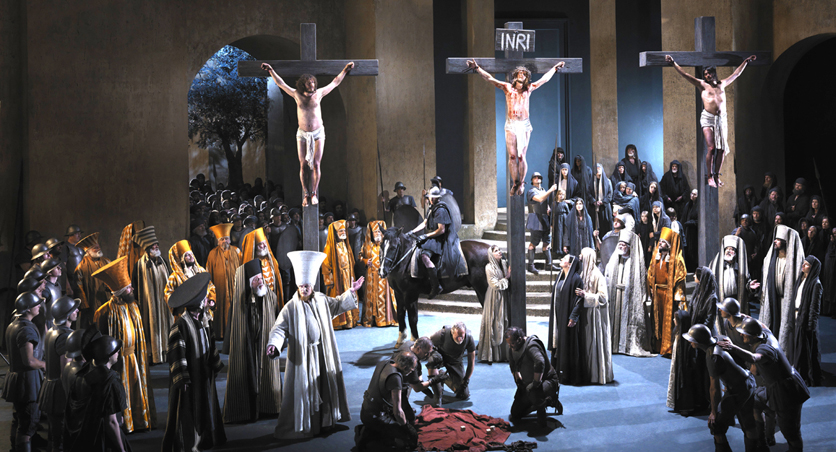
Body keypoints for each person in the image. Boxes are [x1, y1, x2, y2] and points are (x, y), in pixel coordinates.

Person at [266, 250, 363, 439]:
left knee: (324, 386)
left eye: (307, 287)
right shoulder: (290, 307)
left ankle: (325, 422)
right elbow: (279, 328)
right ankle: (307, 426)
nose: (304, 290)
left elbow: (337, 304)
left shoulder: (321, 300)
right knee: (306, 389)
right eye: (301, 287)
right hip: (303, 357)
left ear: (311, 286)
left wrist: (351, 291)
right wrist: (274, 345)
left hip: (322, 351)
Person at [262, 61, 354, 205]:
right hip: (302, 133)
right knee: (303, 164)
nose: (312, 84)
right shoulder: (297, 94)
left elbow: (335, 82)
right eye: (309, 82)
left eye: (313, 82)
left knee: (316, 164)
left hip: (318, 133)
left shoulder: (319, 94)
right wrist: (270, 70)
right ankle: (306, 194)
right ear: (303, 84)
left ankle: (314, 193)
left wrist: (345, 70)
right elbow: (281, 84)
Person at [467, 59, 565, 195]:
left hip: (524, 124)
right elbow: (490, 79)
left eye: (524, 73)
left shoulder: (528, 89)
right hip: (511, 123)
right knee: (512, 156)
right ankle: (515, 182)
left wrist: (554, 68)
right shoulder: (508, 88)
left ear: (526, 77)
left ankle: (522, 182)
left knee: (521, 156)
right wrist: (477, 68)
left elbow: (544, 80)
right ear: (515, 75)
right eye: (519, 72)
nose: (521, 74)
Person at [666, 54, 756, 187]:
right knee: (712, 148)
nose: (707, 76)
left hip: (721, 119)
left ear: (714, 73)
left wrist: (746, 62)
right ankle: (709, 176)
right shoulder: (702, 85)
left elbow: (736, 74)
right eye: (705, 74)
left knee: (722, 149)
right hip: (708, 118)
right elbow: (685, 75)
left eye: (709, 73)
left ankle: (716, 175)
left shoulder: (722, 84)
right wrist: (673, 63)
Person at [720, 318, 809, 452]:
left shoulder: (765, 349)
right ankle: (762, 441)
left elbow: (754, 358)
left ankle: (795, 449)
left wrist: (733, 347)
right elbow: (762, 325)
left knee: (790, 430)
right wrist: (742, 317)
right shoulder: (765, 333)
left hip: (787, 391)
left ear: (755, 336)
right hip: (774, 387)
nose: (741, 335)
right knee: (755, 403)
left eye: (745, 333)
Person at [162, 273, 226, 451]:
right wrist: (182, 378)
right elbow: (176, 354)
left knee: (206, 406)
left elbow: (211, 343)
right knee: (188, 410)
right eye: (204, 299)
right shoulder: (180, 326)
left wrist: (214, 365)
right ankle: (190, 444)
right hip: (190, 378)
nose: (207, 301)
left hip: (204, 374)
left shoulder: (204, 320)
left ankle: (206, 439)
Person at [92, 256, 155, 432]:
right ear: (120, 292)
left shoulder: (133, 306)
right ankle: (124, 424)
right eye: (128, 288)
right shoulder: (104, 312)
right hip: (118, 361)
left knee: (136, 390)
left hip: (134, 356)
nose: (132, 289)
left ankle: (139, 421)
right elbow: (101, 341)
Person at [681, 324, 761, 452]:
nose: (690, 342)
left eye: (692, 340)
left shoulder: (713, 356)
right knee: (748, 422)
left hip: (739, 390)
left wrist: (713, 412)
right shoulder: (720, 339)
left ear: (698, 342)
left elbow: (714, 388)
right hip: (748, 382)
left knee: (716, 425)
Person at [223, 257, 283, 424]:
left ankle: (268, 407)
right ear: (250, 283)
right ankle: (245, 410)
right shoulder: (240, 301)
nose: (260, 282)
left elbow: (277, 318)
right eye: (256, 280)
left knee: (267, 374)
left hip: (264, 342)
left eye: (261, 278)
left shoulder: (270, 297)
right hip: (248, 344)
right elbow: (234, 326)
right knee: (247, 372)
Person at [63, 335, 130, 452]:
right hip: (101, 439)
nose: (118, 352)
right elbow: (111, 422)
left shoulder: (83, 372)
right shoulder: (109, 380)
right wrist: (122, 450)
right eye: (115, 350)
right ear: (108, 355)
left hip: (84, 438)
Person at [667, 267, 716, 415]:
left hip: (703, 338)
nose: (693, 277)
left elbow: (709, 321)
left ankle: (705, 402)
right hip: (694, 334)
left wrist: (698, 336)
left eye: (695, 275)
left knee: (703, 371)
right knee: (695, 369)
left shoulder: (711, 297)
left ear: (701, 278)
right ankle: (696, 401)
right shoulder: (697, 291)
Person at [4, 292, 46, 452]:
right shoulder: (26, 329)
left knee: (19, 420)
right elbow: (29, 361)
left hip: (17, 380)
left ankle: (14, 449)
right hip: (27, 383)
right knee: (28, 425)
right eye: (36, 304)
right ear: (28, 308)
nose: (39, 306)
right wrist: (45, 364)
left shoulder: (14, 324)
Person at [408, 187, 468, 299]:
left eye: (433, 198)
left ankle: (436, 286)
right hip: (434, 236)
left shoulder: (440, 210)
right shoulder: (431, 208)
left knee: (424, 256)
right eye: (430, 197)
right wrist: (412, 231)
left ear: (437, 198)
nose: (431, 199)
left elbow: (441, 230)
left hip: (441, 238)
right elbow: (425, 223)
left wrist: (426, 236)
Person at [355, 352, 419, 452]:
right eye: (411, 369)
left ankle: (370, 431)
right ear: (405, 367)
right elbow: (398, 412)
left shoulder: (384, 363)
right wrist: (407, 427)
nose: (412, 371)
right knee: (408, 436)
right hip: (376, 418)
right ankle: (370, 434)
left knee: (405, 417)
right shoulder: (395, 378)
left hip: (365, 411)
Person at [39, 296, 78, 452]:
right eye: (73, 309)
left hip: (50, 388)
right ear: (67, 315)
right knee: (60, 439)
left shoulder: (52, 331)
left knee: (54, 436)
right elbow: (65, 371)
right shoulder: (65, 336)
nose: (77, 311)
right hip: (59, 393)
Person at [605, 230, 653, 357]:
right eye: (619, 244)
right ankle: (614, 344)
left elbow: (640, 281)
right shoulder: (614, 260)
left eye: (624, 245)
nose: (621, 246)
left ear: (629, 247)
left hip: (628, 296)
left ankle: (625, 345)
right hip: (615, 296)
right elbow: (608, 275)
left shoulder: (634, 263)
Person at [760, 224, 805, 353]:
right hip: (774, 298)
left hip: (787, 300)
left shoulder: (794, 261)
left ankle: (784, 352)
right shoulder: (770, 259)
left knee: (786, 328)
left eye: (779, 240)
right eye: (775, 239)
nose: (775, 241)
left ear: (785, 242)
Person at [505, 326, 562, 428]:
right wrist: (519, 382)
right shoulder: (513, 348)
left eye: (512, 343)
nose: (510, 346)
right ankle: (542, 402)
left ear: (519, 340)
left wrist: (535, 383)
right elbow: (513, 366)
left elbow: (540, 362)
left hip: (548, 380)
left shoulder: (531, 346)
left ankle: (546, 404)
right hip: (529, 383)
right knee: (515, 413)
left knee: (534, 392)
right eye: (509, 344)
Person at [131, 226, 172, 365]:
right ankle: (154, 356)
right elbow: (135, 285)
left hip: (164, 304)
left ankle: (166, 353)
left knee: (166, 327)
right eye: (153, 245)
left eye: (157, 244)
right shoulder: (139, 265)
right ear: (147, 248)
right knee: (151, 329)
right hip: (149, 305)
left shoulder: (163, 261)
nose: (156, 246)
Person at [647, 228, 687, 356]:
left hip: (668, 294)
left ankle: (667, 347)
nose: (660, 243)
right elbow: (650, 273)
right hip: (657, 293)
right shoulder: (656, 256)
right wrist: (651, 287)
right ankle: (657, 346)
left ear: (669, 245)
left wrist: (678, 295)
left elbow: (680, 279)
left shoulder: (677, 259)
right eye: (660, 241)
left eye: (663, 242)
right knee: (657, 320)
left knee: (667, 322)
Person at [577, 248, 613, 384]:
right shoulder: (583, 273)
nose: (580, 257)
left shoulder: (598, 275)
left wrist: (586, 295)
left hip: (595, 316)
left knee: (595, 342)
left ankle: (597, 375)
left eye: (582, 255)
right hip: (586, 314)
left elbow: (603, 298)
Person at [548, 254, 585, 384]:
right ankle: (556, 371)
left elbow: (579, 300)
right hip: (558, 314)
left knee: (566, 342)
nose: (561, 260)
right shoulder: (560, 275)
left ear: (570, 264)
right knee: (557, 340)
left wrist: (573, 316)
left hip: (567, 315)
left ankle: (567, 374)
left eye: (564, 259)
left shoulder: (576, 279)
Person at [789, 255, 822, 387]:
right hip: (798, 316)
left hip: (806, 320)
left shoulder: (816, 283)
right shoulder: (801, 280)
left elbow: (814, 307)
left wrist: (810, 325)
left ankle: (805, 376)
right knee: (798, 347)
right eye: (803, 263)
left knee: (806, 350)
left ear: (812, 268)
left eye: (807, 264)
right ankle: (798, 373)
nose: (803, 266)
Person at [710, 236, 759, 323]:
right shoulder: (715, 265)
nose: (729, 251)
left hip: (736, 301)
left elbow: (745, 284)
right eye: (727, 249)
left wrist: (749, 286)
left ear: (736, 253)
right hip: (722, 301)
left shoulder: (740, 267)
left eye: (732, 249)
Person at [205, 223, 241, 341]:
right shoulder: (212, 254)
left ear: (230, 239)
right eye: (222, 239)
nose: (224, 241)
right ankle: (221, 334)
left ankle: (234, 333)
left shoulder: (237, 251)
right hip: (219, 288)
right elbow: (208, 272)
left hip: (235, 288)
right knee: (220, 310)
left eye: (226, 238)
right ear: (218, 241)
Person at [359, 220, 398, 327]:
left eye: (379, 232)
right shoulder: (367, 245)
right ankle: (371, 320)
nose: (377, 234)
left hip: (383, 277)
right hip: (371, 277)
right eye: (375, 232)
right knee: (371, 298)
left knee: (385, 297)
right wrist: (365, 261)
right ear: (371, 233)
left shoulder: (386, 245)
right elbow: (360, 256)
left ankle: (386, 320)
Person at [323, 219, 359, 329]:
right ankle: (339, 323)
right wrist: (329, 280)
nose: (343, 233)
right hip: (338, 278)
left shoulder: (345, 244)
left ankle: (349, 321)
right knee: (338, 297)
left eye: (344, 230)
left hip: (347, 276)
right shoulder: (330, 247)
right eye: (340, 231)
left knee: (349, 295)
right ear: (336, 233)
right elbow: (325, 265)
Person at [428, 322, 476, 403]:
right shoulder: (442, 334)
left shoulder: (469, 338)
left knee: (463, 394)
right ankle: (437, 394)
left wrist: (466, 380)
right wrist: (433, 355)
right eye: (457, 336)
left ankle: (443, 376)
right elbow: (428, 343)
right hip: (440, 357)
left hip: (455, 361)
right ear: (452, 332)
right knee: (433, 360)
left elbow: (471, 363)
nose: (460, 339)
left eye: (462, 336)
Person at [74, 232, 112, 329]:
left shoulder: (107, 261)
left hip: (107, 299)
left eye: (99, 247)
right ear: (89, 251)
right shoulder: (81, 267)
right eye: (95, 248)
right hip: (92, 302)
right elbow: (78, 286)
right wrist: (84, 304)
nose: (99, 249)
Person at [479, 245, 510, 363]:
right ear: (491, 254)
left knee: (502, 322)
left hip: (503, 296)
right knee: (493, 321)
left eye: (499, 250)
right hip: (494, 297)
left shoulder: (503, 264)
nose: (499, 252)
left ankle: (502, 354)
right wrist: (506, 278)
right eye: (496, 251)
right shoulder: (489, 267)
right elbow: (495, 285)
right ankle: (491, 355)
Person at [526, 172, 557, 274]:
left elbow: (544, 202)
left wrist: (547, 208)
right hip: (535, 219)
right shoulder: (531, 191)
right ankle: (530, 265)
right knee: (534, 242)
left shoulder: (542, 190)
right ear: (532, 180)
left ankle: (548, 264)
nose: (537, 178)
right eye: (535, 177)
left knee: (546, 242)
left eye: (538, 177)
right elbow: (540, 199)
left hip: (544, 219)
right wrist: (551, 190)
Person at [592, 163, 614, 237]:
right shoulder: (591, 182)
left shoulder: (608, 181)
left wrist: (602, 202)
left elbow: (610, 195)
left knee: (606, 225)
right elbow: (588, 193)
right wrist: (594, 201)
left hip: (605, 207)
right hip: (594, 207)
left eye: (599, 169)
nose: (598, 170)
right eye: (596, 169)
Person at [551, 189, 572, 258]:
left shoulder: (565, 204)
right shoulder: (554, 203)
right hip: (556, 220)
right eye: (560, 194)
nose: (561, 196)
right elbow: (552, 214)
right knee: (557, 235)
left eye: (563, 194)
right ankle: (557, 250)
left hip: (563, 220)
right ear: (557, 195)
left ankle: (563, 250)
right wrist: (551, 223)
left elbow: (568, 213)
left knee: (562, 234)